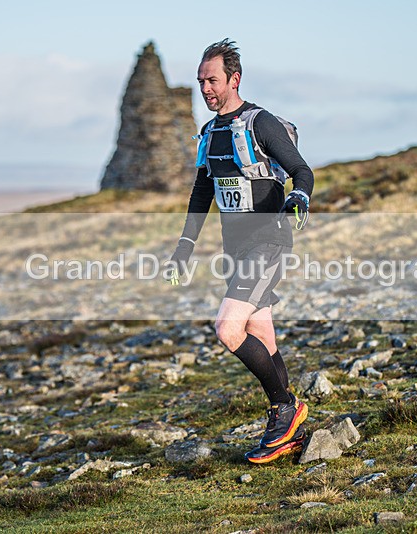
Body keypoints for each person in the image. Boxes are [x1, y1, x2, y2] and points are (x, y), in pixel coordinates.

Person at [167, 39, 315, 464]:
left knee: (228, 328)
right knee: (261, 334)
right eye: (200, 81)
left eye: (212, 80)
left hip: (269, 242)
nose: (205, 89)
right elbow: (202, 193)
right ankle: (288, 432)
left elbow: (301, 169)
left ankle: (285, 408)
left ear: (234, 79)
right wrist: (185, 246)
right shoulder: (211, 133)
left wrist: (299, 196)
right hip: (236, 249)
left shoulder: (260, 122)